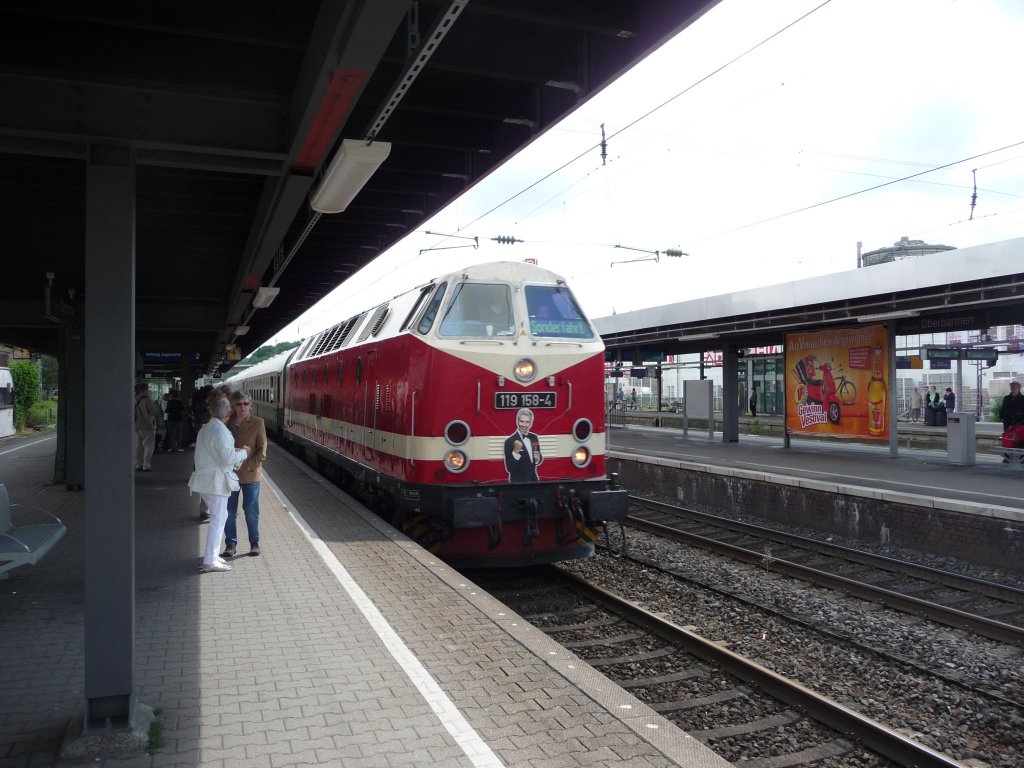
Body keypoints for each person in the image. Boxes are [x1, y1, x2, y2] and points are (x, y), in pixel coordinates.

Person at [189, 396, 249, 573]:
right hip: (216, 483)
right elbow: (228, 458)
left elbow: (215, 454)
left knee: (219, 518)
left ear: (211, 411)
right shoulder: (220, 431)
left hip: (206, 480)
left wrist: (234, 452)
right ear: (229, 413)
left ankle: (213, 557)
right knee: (217, 520)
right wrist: (244, 453)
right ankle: (210, 560)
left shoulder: (206, 428)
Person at [222, 390, 268, 558]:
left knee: (250, 510)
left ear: (250, 405)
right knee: (229, 511)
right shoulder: (227, 423)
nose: (242, 407)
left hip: (251, 475)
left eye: (246, 404)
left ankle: (254, 543)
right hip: (230, 474)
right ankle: (230, 544)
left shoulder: (257, 422)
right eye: (239, 404)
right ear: (233, 406)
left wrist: (250, 465)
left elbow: (262, 450)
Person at [503, 407, 542, 483]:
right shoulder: (509, 441)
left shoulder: (534, 438)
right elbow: (509, 468)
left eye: (527, 422)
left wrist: (537, 458)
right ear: (517, 421)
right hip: (517, 484)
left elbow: (537, 460)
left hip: (534, 481)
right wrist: (515, 452)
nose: (524, 425)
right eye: (522, 421)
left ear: (531, 423)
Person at [133, 382, 163, 471]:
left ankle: (138, 464)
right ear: (146, 389)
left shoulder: (134, 399)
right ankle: (146, 465)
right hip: (147, 426)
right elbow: (153, 412)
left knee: (138, 446)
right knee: (149, 445)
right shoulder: (147, 399)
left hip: (136, 425)